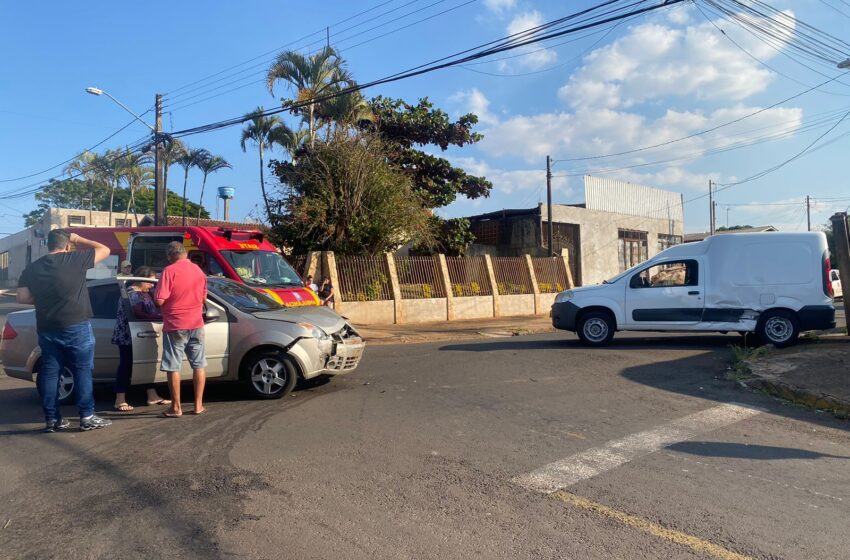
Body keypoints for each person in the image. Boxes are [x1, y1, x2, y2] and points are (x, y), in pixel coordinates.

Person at [17, 229, 113, 432]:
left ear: (48, 245)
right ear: (68, 245)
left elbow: (22, 298)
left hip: (47, 327)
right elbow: (105, 249)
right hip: (76, 325)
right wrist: (79, 238)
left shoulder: (32, 269)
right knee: (82, 370)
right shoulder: (75, 259)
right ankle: (87, 416)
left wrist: (45, 299)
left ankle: (52, 419)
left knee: (51, 373)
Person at [154, 242, 208, 417]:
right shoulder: (199, 271)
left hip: (176, 324)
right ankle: (198, 405)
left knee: (173, 366)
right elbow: (203, 298)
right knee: (199, 365)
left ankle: (176, 408)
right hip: (196, 324)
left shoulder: (169, 271)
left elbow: (160, 300)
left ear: (170, 256)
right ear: (184, 253)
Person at [111, 266, 171, 412]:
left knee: (145, 365)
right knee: (125, 366)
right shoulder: (133, 294)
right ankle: (120, 400)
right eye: (149, 282)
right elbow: (141, 314)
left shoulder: (142, 293)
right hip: (129, 336)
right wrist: (164, 316)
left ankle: (152, 395)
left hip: (138, 334)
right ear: (140, 280)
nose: (151, 285)